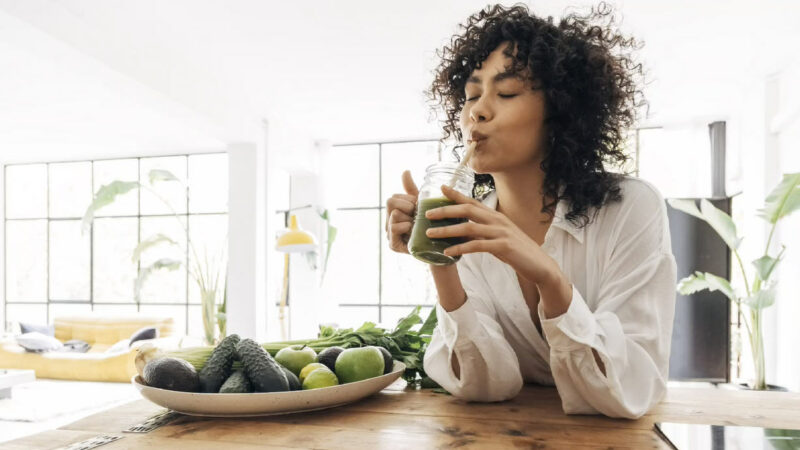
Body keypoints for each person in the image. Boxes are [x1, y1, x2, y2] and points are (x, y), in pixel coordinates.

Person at [385, 3, 677, 419]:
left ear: (559, 111)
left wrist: (549, 277)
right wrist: (440, 258)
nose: (477, 110)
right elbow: (485, 386)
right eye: (471, 95)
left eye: (506, 93)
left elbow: (630, 389)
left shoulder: (630, 208)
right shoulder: (467, 221)